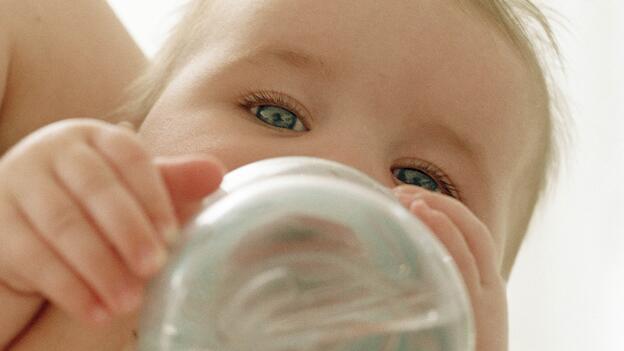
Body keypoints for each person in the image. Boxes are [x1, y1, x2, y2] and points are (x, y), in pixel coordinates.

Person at [0, 0, 561, 350]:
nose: (337, 172)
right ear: (130, 137)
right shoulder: (68, 280)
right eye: (276, 113)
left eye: (422, 177)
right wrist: (23, 244)